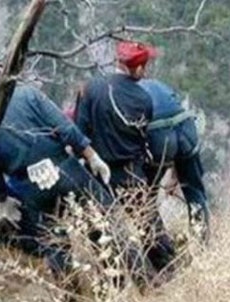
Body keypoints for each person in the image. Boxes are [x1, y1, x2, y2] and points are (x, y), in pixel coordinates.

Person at [0, 55, 113, 279]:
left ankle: (74, 301)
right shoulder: (28, 94)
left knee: (55, 245)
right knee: (100, 225)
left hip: (30, 186)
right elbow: (65, 128)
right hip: (64, 168)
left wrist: (2, 200)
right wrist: (91, 156)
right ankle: (117, 284)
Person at [75, 40, 176, 273]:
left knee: (100, 231)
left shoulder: (89, 88)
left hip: (98, 173)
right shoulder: (143, 99)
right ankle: (168, 274)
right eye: (145, 66)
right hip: (132, 173)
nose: (146, 71)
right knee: (148, 225)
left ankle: (116, 279)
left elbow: (79, 133)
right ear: (138, 69)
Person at [138, 78, 209, 241]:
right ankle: (202, 243)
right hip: (186, 130)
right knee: (195, 192)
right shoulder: (160, 85)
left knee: (146, 197)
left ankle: (161, 247)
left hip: (159, 138)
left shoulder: (130, 92)